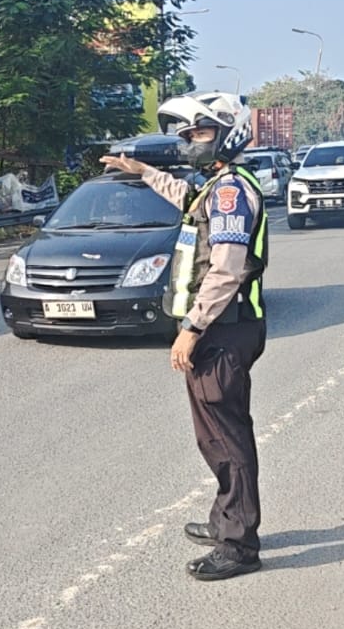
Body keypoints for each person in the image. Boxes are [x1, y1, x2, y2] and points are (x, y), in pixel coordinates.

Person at [100, 90, 268, 582]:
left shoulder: (231, 192)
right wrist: (143, 172)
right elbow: (184, 198)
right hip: (219, 329)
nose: (192, 140)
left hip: (223, 329)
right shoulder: (215, 185)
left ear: (229, 133)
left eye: (201, 131)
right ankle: (225, 520)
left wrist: (192, 329)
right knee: (213, 434)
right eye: (189, 133)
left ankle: (239, 545)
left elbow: (226, 269)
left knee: (228, 438)